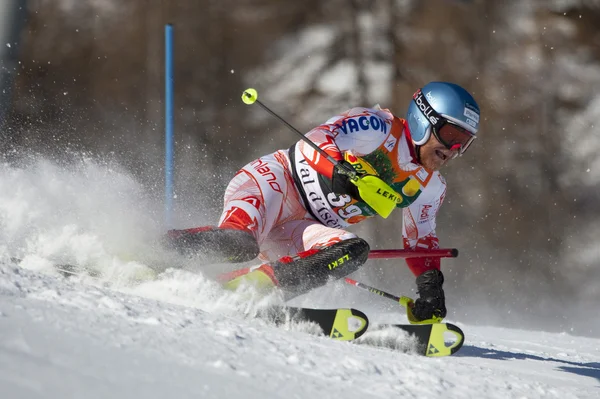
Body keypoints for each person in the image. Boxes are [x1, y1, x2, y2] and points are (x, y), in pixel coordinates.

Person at [167, 81, 481, 322]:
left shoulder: (429, 187)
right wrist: (337, 173)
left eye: (463, 143)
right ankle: (155, 251)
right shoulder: (377, 126)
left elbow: (421, 241)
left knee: (353, 250)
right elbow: (313, 142)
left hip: (304, 227)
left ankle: (246, 288)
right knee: (239, 244)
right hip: (276, 183)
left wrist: (431, 289)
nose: (453, 149)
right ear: (423, 118)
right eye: (450, 134)